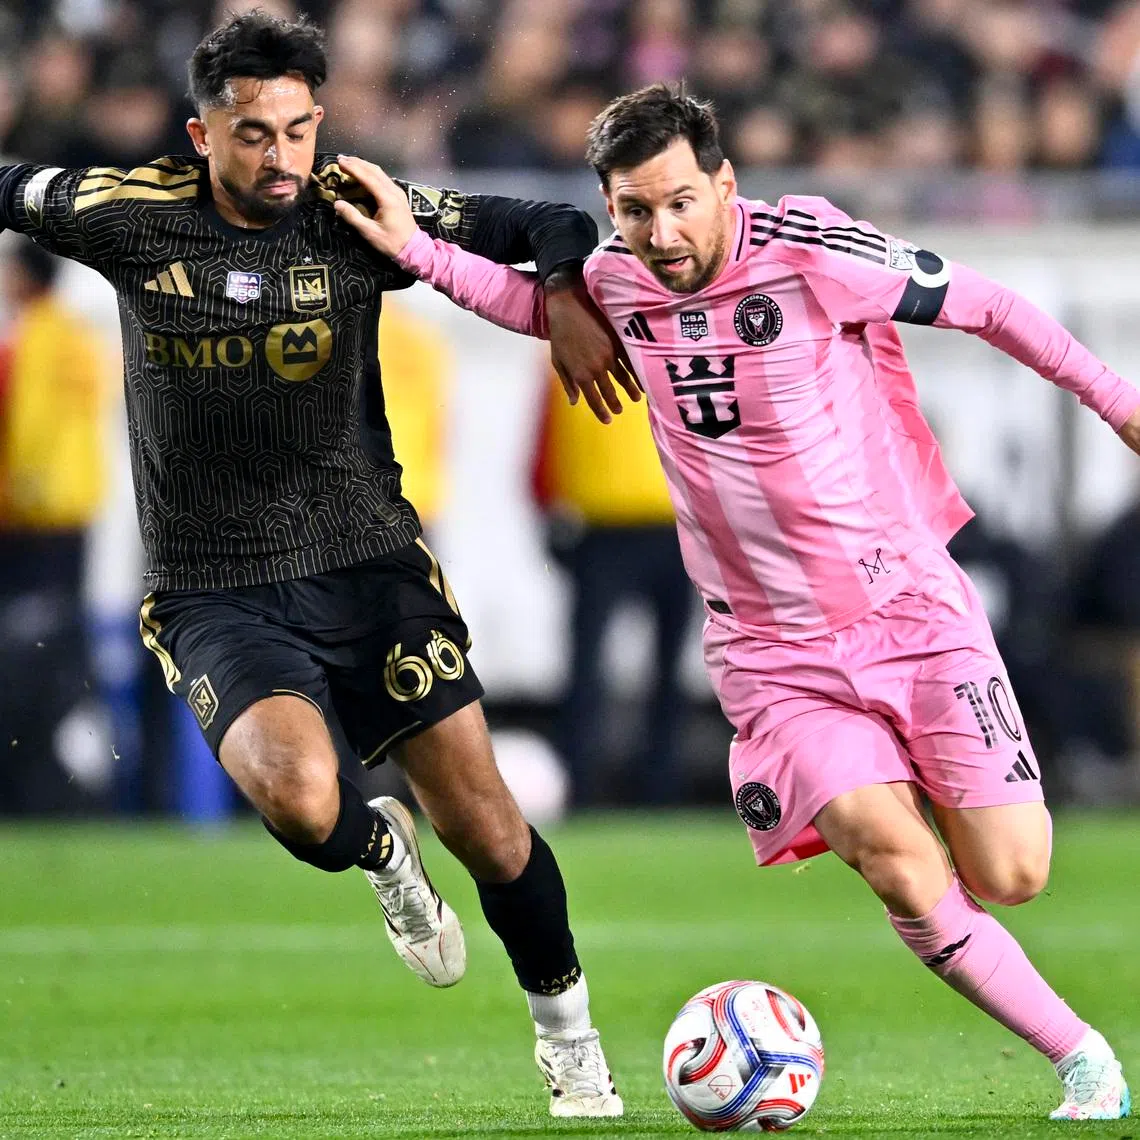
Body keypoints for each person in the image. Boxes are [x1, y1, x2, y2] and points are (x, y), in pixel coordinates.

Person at [334, 85, 1137, 1122]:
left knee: (1015, 870)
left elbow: (991, 304)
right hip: (773, 653)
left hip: (911, 614)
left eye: (677, 203)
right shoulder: (615, 283)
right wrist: (417, 248)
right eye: (632, 210)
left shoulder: (812, 250)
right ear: (609, 209)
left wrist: (1117, 403)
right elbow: (522, 299)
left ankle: (934, 816)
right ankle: (1083, 1058)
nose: (659, 234)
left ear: (724, 185)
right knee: (892, 859)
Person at [0, 12, 634, 1117]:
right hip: (213, 582)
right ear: (203, 136)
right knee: (301, 800)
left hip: (367, 563)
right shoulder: (129, 217)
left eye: (298, 129)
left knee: (488, 828)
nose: (281, 156)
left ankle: (568, 1037)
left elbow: (542, 219)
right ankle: (380, 853)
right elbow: (10, 183)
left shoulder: (354, 210)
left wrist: (570, 295)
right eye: (253, 133)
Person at [531, 363, 694, 806]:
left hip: (634, 527)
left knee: (595, 666)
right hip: (639, 527)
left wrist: (547, 511)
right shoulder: (672, 344)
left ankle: (596, 786)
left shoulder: (566, 347)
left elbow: (546, 445)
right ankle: (649, 789)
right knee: (651, 668)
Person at [0, 238, 110, 812]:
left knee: (26, 645)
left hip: (32, 520)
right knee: (62, 641)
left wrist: (20, 493)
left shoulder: (31, 342)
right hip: (76, 512)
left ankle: (34, 771)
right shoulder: (77, 338)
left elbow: (29, 431)